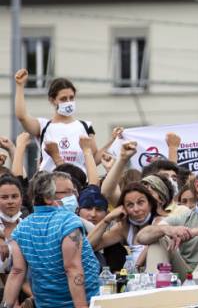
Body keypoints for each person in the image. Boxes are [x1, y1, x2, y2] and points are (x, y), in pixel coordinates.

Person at [4, 171, 100, 308]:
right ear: (49, 197)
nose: (74, 196)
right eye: (68, 193)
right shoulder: (68, 221)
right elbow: (72, 269)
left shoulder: (21, 229)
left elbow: (17, 272)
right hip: (84, 301)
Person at [13, 70, 95, 172]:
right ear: (52, 100)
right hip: (49, 183)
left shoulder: (85, 126)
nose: (68, 102)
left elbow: (95, 158)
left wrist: (114, 141)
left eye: (71, 97)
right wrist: (20, 86)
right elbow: (22, 116)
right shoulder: (43, 126)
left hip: (78, 185)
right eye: (63, 99)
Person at [88, 182, 161, 272]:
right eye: (130, 205)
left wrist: (134, 269)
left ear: (150, 204)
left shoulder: (160, 222)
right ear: (124, 209)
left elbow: (150, 246)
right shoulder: (124, 227)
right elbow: (89, 246)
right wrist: (107, 219)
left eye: (140, 202)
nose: (136, 209)